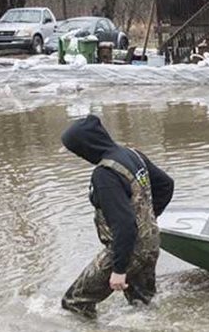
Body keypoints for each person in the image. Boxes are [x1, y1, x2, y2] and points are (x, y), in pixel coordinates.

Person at [60, 114, 174, 319]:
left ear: (86, 146)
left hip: (126, 250)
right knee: (143, 306)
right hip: (151, 244)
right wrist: (148, 219)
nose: (78, 155)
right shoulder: (132, 154)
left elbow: (124, 224)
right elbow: (166, 185)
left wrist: (119, 269)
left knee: (75, 302)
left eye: (76, 150)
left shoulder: (105, 175)